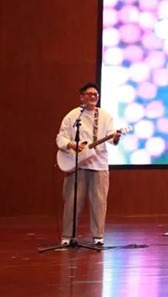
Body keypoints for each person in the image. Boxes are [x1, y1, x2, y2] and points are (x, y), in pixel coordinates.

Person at [55, 82, 123, 246]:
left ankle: (98, 236)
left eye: (95, 95)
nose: (93, 97)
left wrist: (115, 138)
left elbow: (111, 139)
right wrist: (71, 145)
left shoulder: (105, 116)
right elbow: (61, 138)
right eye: (89, 94)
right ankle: (67, 236)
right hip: (77, 165)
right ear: (82, 97)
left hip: (99, 165)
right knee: (72, 201)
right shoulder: (73, 116)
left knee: (99, 202)